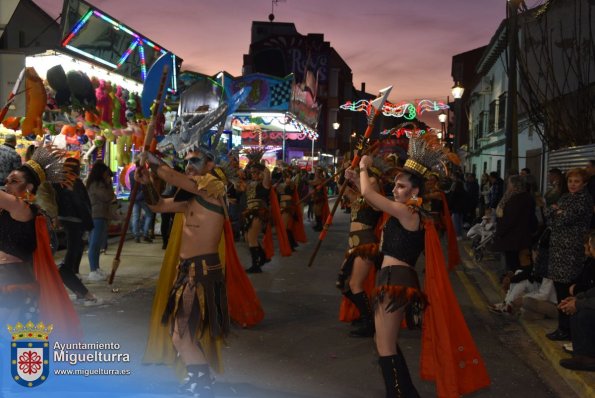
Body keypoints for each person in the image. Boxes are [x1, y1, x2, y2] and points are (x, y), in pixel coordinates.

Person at [351, 133, 490, 397]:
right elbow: (369, 198)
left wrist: (362, 167)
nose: (395, 189)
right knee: (384, 342)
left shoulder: (408, 212)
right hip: (392, 279)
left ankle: (399, 393)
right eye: (395, 184)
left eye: (401, 186)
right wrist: (354, 179)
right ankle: (405, 392)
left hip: (395, 280)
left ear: (415, 191)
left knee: (385, 345)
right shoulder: (404, 210)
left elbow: (370, 192)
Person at [135, 149, 230, 397]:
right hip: (188, 271)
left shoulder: (211, 187)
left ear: (210, 164)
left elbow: (171, 176)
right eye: (186, 161)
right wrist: (146, 184)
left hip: (201, 272)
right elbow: (157, 206)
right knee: (181, 331)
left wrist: (151, 160)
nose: (188, 165)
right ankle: (200, 375)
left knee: (180, 333)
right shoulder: (191, 198)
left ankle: (201, 382)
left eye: (195, 161)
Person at [0, 145, 80, 339]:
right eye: (7, 181)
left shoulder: (23, 208)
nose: (7, 185)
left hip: (14, 284)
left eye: (14, 181)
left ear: (28, 188)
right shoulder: (9, 210)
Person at [545, 168, 593, 341]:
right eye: (570, 181)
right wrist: (555, 212)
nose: (572, 184)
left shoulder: (583, 201)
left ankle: (567, 329)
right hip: (558, 251)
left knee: (567, 290)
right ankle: (563, 327)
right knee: (559, 288)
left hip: (572, 252)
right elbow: (549, 217)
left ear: (584, 183)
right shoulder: (566, 198)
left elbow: (564, 219)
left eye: (577, 181)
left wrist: (557, 212)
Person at [336, 166, 383, 338]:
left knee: (354, 284)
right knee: (344, 283)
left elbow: (371, 196)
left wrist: (357, 177)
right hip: (354, 243)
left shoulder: (375, 196)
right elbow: (342, 187)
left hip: (365, 243)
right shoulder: (357, 197)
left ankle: (369, 322)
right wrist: (345, 172)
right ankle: (367, 315)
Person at [53, 157, 102, 305]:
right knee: (68, 262)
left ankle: (80, 292)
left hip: (64, 223)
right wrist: (88, 225)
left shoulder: (57, 184)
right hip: (75, 224)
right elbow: (81, 205)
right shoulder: (74, 183)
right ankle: (84, 293)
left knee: (71, 259)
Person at [85, 161, 115, 281]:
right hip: (96, 215)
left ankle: (96, 268)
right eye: (106, 173)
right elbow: (108, 196)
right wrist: (109, 185)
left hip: (101, 215)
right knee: (94, 243)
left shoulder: (98, 184)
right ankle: (93, 270)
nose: (107, 176)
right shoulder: (96, 185)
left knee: (97, 244)